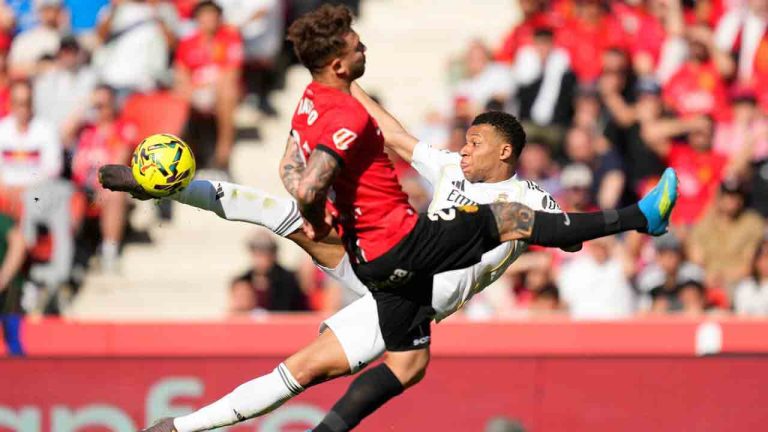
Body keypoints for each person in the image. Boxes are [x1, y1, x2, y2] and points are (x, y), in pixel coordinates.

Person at [108, 5, 677, 431]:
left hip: (406, 288)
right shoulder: (452, 171)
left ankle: (189, 428)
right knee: (281, 227)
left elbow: (568, 241)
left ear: (504, 152)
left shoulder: (534, 196)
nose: (463, 147)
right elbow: (400, 138)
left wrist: (559, 240)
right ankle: (641, 215)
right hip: (399, 265)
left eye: (475, 141)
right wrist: (352, 90)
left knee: (388, 367)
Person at [174, 0, 242, 171]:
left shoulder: (229, 38)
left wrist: (207, 88)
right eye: (205, 14)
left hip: (219, 90)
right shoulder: (187, 43)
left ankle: (223, 152)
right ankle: (178, 158)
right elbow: (180, 75)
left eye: (213, 14)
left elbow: (232, 73)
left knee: (227, 91)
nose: (209, 18)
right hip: (195, 91)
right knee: (176, 98)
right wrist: (191, 90)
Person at [229, 229, 307, 314]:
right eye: (258, 253)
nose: (262, 258)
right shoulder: (243, 281)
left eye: (266, 252)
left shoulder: (288, 280)